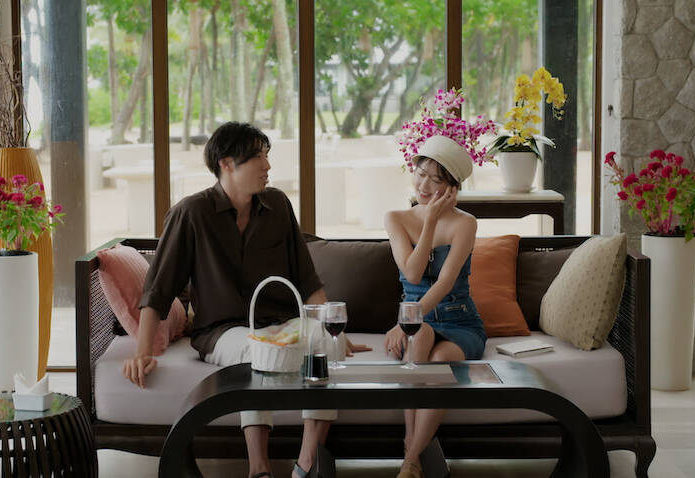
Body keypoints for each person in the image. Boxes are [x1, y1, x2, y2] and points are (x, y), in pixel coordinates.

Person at [122, 121, 368, 478]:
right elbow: (158, 289)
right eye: (257, 157)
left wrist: (332, 333)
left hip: (282, 322)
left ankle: (307, 463)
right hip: (222, 332)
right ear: (226, 163)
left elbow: (306, 278)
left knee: (323, 342)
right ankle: (259, 468)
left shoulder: (278, 205)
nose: (267, 166)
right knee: (258, 348)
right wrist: (142, 352)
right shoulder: (191, 213)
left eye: (267, 155)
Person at [382, 135, 487, 478]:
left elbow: (444, 284)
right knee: (421, 336)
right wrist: (428, 222)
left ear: (452, 188)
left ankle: (410, 456)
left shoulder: (465, 223)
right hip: (416, 320)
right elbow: (412, 273)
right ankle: (413, 454)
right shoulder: (396, 218)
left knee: (441, 363)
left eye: (436, 180)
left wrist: (405, 322)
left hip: (460, 321)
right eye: (421, 174)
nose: (424, 185)